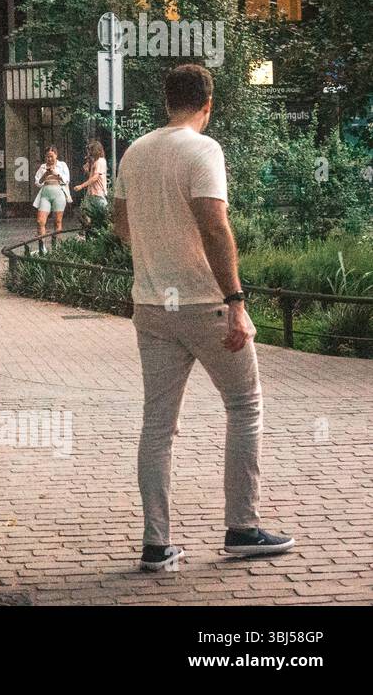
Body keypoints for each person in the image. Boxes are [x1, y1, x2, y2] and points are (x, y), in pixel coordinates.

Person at [114, 64, 293, 573]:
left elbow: (120, 223)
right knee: (244, 407)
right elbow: (216, 226)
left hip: (151, 307)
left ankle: (156, 544)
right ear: (208, 104)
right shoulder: (203, 150)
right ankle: (242, 527)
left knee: (157, 424)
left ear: (167, 101)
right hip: (206, 305)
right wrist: (237, 301)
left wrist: (155, 251)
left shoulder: (135, 151)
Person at [33, 147, 71, 252]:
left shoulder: (62, 165)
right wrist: (45, 174)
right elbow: (37, 182)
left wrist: (55, 173)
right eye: (47, 157)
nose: (49, 159)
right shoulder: (42, 167)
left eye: (51, 156)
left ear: (56, 155)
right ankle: (42, 247)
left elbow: (66, 180)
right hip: (45, 193)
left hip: (58, 193)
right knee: (40, 221)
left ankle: (55, 247)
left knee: (57, 221)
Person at [73, 139, 109, 236]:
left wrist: (81, 186)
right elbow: (93, 176)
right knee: (85, 214)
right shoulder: (96, 162)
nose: (89, 153)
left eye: (90, 151)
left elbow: (96, 178)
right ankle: (89, 234)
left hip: (98, 194)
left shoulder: (100, 161)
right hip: (92, 193)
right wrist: (87, 171)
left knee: (102, 217)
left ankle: (97, 235)